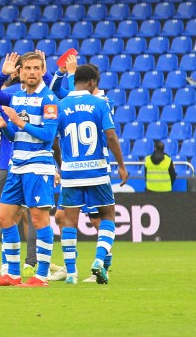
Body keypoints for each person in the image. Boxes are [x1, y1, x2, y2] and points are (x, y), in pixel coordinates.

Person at [0, 51, 59, 287]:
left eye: (36, 68)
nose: (32, 72)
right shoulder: (16, 97)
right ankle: (13, 274)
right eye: (27, 68)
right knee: (4, 218)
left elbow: (48, 136)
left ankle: (41, 276)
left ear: (42, 71)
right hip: (16, 166)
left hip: (38, 166)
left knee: (38, 219)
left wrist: (20, 122)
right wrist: (4, 126)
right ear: (20, 72)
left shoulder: (49, 99)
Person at [56, 64, 129, 284]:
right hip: (96, 170)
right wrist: (122, 166)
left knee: (69, 220)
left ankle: (71, 273)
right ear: (92, 83)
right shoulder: (100, 104)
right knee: (107, 215)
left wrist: (62, 164)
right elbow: (111, 137)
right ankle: (99, 260)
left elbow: (52, 141)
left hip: (70, 173)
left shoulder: (60, 105)